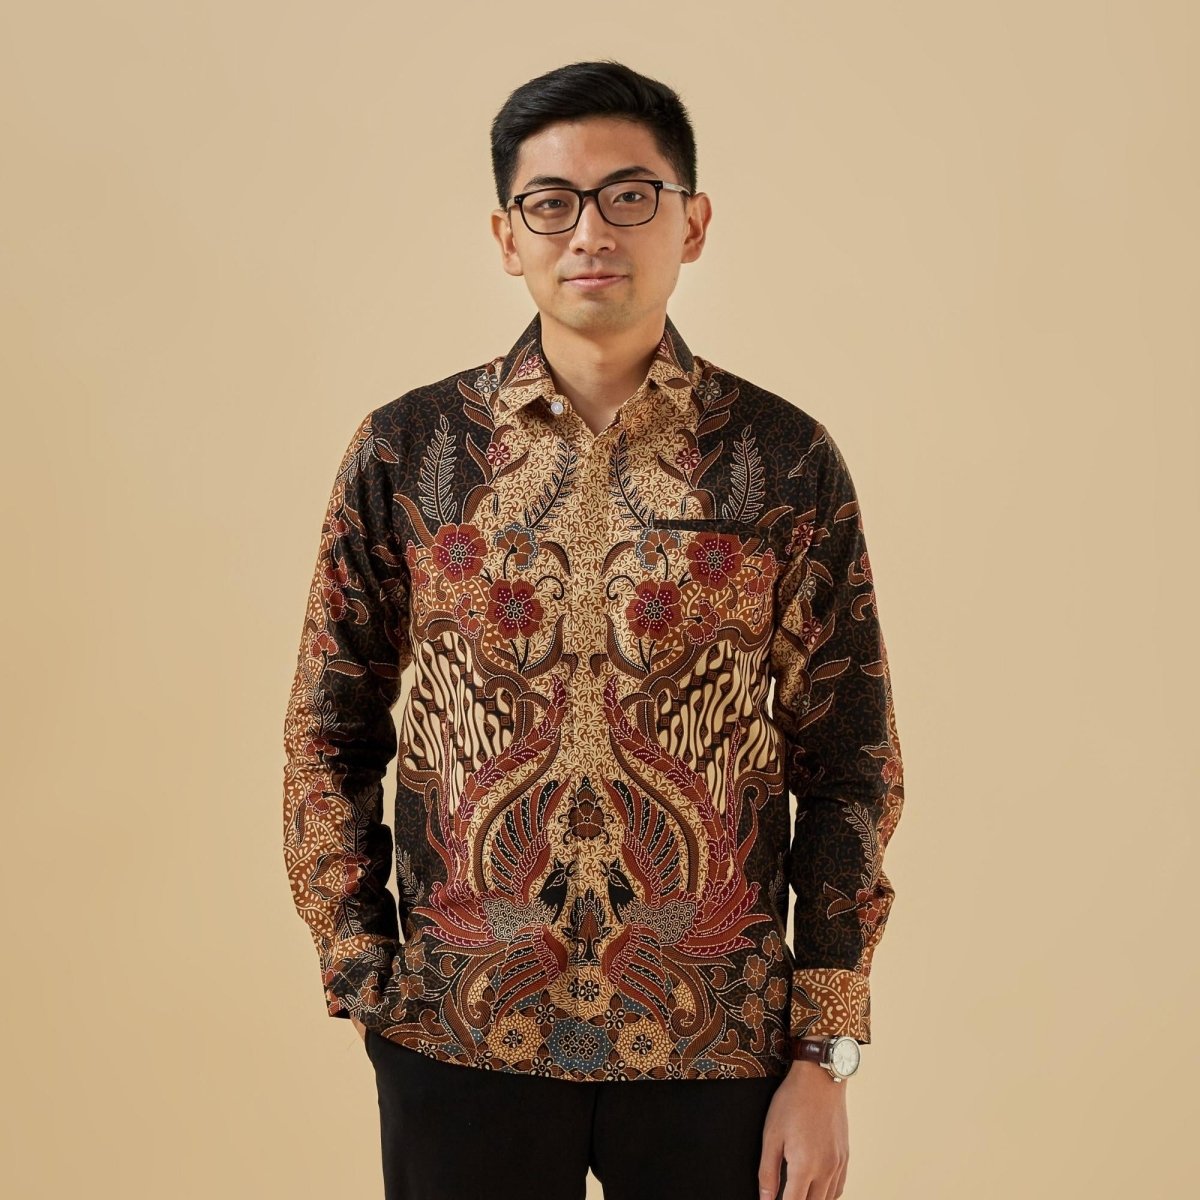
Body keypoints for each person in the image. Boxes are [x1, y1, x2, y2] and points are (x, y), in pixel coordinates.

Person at [282, 58, 905, 1200]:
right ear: (505, 235)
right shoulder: (409, 452)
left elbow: (850, 760)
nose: (591, 232)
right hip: (458, 1035)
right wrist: (359, 962)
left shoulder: (784, 461)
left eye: (630, 195)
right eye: (551, 203)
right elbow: (330, 726)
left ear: (692, 223)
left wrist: (825, 1050)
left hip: (718, 1044)